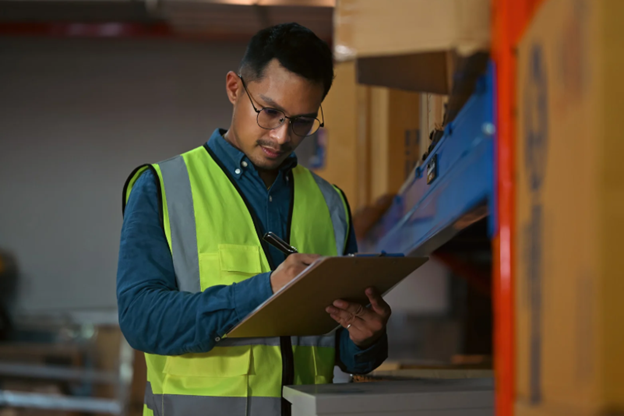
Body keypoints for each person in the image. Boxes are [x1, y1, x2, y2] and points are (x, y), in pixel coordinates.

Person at [117, 22, 391, 416]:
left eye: (301, 122)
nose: (281, 136)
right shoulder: (161, 188)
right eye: (270, 112)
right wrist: (263, 292)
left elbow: (346, 355)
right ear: (233, 88)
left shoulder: (331, 204)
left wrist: (366, 338)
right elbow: (141, 320)